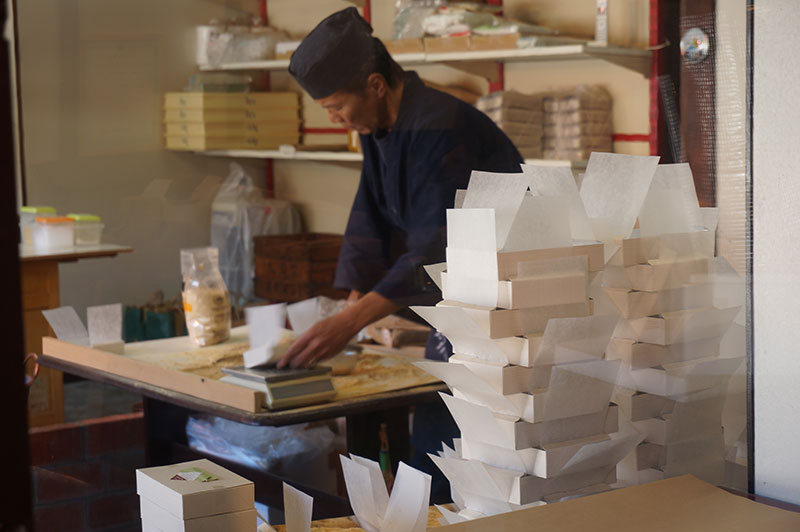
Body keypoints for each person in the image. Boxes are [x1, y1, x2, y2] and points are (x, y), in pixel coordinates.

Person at [277, 6, 523, 501]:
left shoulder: (442, 126)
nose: (334, 118)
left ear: (374, 85)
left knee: (467, 460)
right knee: (433, 452)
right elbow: (371, 215)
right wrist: (352, 305)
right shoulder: (379, 125)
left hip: (506, 305)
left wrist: (351, 321)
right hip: (458, 310)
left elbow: (438, 247)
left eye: (334, 105)